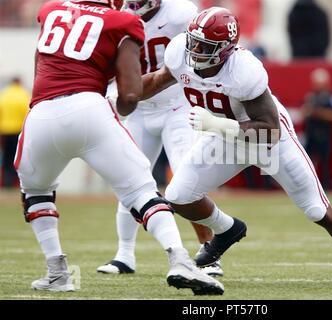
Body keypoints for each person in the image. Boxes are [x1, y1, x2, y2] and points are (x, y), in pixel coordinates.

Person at [141, 7, 332, 285]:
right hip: (224, 137)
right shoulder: (180, 52)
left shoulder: (243, 70)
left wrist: (217, 125)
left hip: (268, 141)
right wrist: (118, 94)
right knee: (179, 195)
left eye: (205, 46)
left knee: (318, 211)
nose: (195, 49)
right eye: (194, 41)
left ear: (225, 49)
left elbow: (270, 131)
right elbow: (157, 80)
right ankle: (227, 229)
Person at [16, 0, 223, 295]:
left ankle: (57, 271)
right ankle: (178, 259)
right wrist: (117, 111)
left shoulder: (50, 9)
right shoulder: (121, 20)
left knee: (35, 191)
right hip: (93, 107)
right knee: (140, 190)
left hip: (42, 112)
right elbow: (128, 93)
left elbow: (45, 58)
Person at [96, 0, 223, 277]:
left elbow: (204, 52)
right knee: (128, 179)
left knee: (186, 180)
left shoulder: (182, 13)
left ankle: (209, 254)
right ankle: (125, 254)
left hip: (177, 106)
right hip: (139, 110)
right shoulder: (118, 17)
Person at [302, 68, 332, 191]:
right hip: (311, 134)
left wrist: (317, 112)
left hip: (324, 135)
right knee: (307, 163)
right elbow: (304, 112)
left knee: (325, 163)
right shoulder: (311, 96)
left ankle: (326, 187)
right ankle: (308, 187)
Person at [0, 77, 29, 188]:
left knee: (6, 158)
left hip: (5, 131)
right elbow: (27, 113)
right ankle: (17, 183)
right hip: (18, 131)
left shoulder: (4, 95)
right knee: (18, 157)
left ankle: (7, 182)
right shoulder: (24, 95)